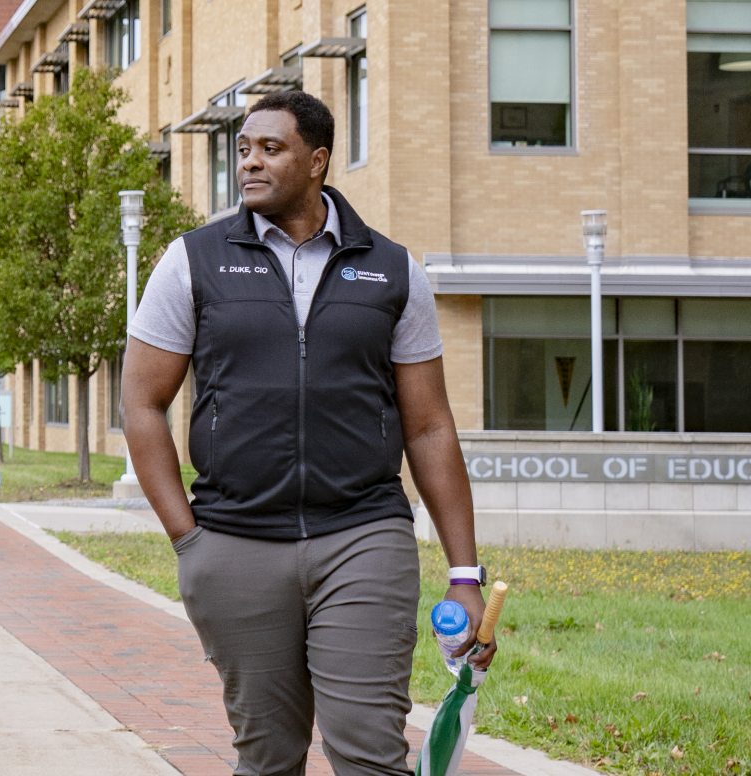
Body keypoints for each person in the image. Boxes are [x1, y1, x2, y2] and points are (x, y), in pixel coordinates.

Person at [120, 90, 495, 776]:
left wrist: (465, 572)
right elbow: (142, 403)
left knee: (370, 751)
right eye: (243, 150)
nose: (249, 164)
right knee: (267, 755)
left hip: (363, 535)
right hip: (233, 542)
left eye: (271, 149)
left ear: (317, 160)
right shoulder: (193, 261)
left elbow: (431, 425)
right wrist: (188, 539)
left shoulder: (391, 269)